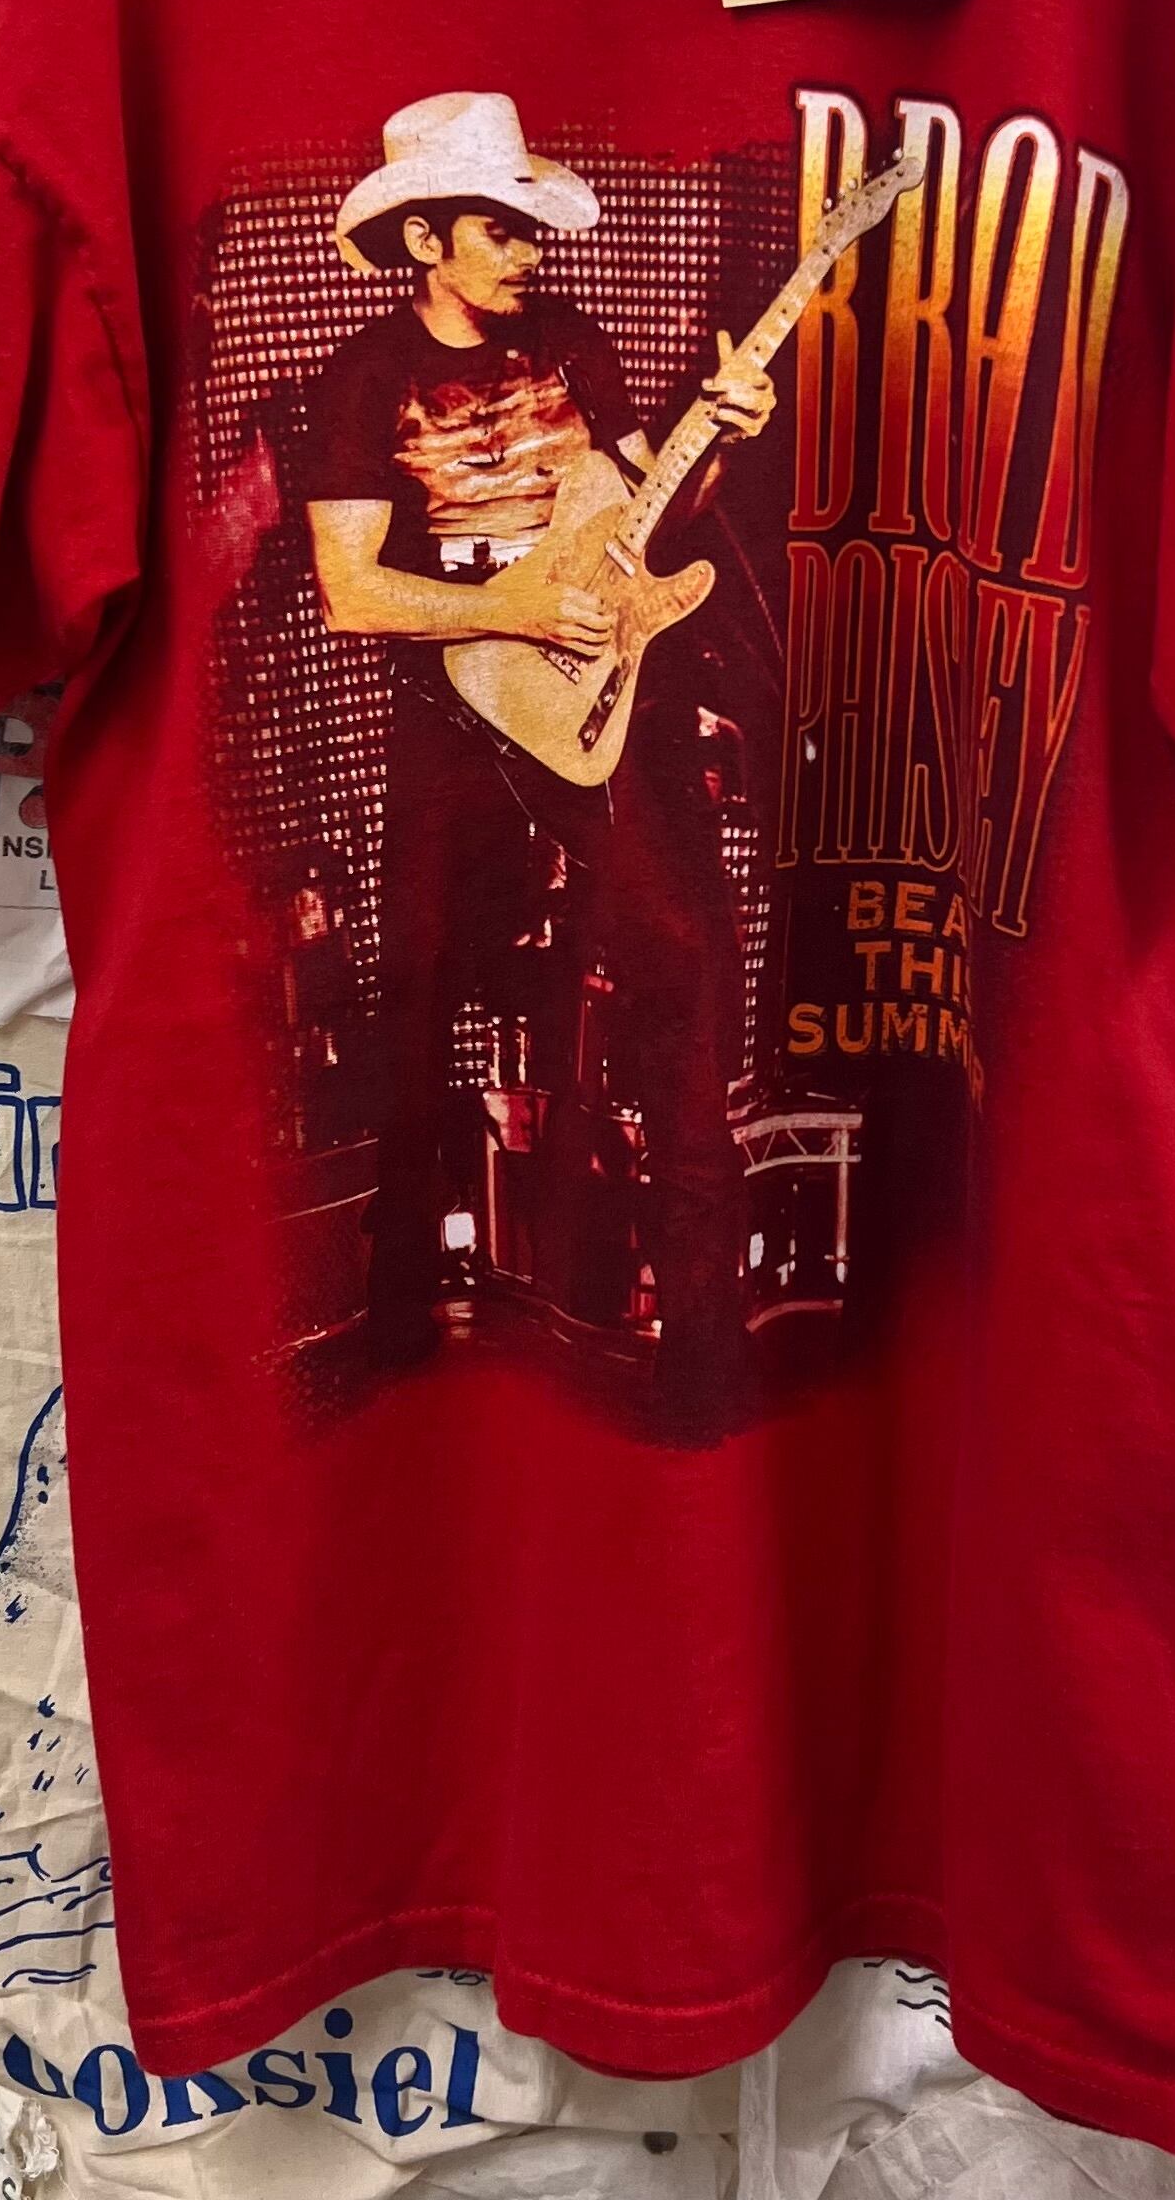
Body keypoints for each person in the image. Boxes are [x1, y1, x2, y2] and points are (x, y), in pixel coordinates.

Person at [293, 92, 775, 1433]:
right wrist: (507, 606)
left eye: (527, 227)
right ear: (426, 240)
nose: (526, 250)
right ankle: (397, 1331)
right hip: (455, 720)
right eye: (497, 228)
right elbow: (351, 589)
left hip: (601, 710)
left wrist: (720, 438)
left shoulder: (575, 341)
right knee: (417, 1007)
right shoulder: (363, 382)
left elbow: (652, 519)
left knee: (683, 985)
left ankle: (705, 1365)